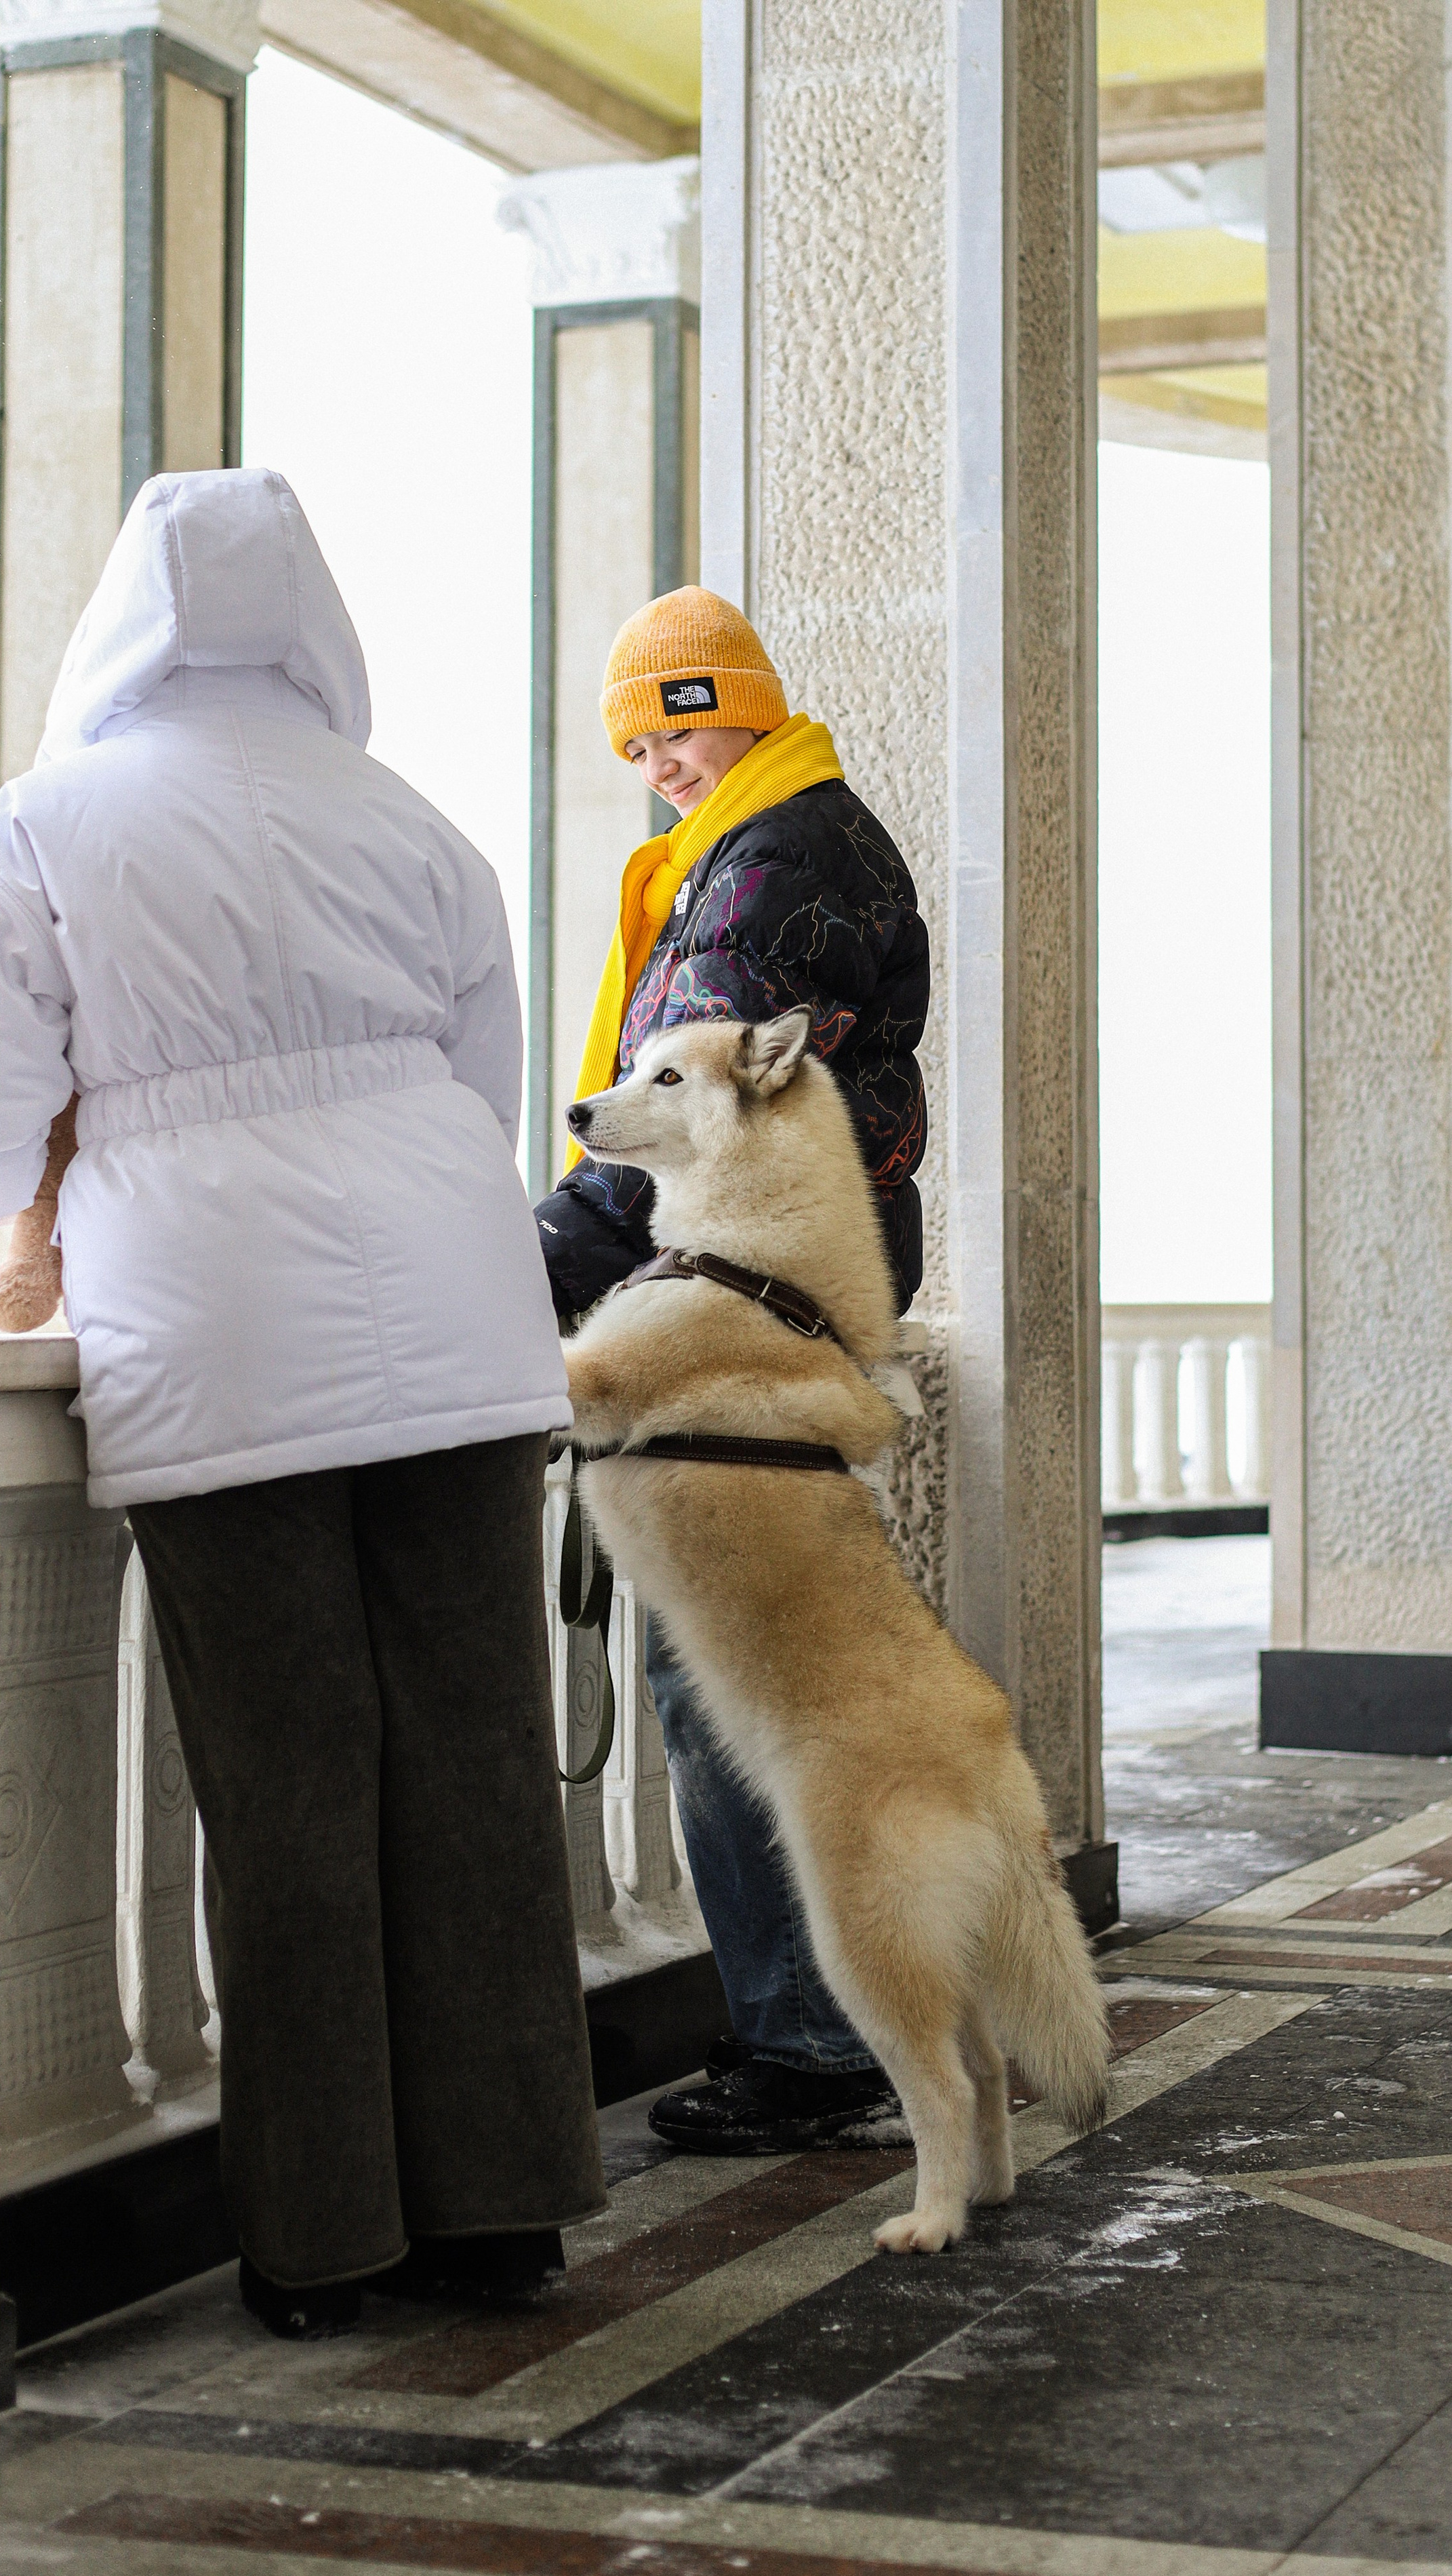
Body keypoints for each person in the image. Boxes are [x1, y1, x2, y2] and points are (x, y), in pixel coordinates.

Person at [0, 468, 604, 2337]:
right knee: (480, 1762)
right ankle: (502, 2214)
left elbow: (0, 1095)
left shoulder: (49, 823)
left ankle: (326, 2242)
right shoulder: (410, 819)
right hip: (458, 1320)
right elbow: (485, 1085)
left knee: (289, 1784)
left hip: (216, 1326)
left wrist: (11, 1253)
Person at [533, 586, 930, 2155]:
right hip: (787, 1284)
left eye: (674, 721)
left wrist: (517, 1278)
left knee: (721, 1670)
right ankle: (837, 2009)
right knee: (773, 1656)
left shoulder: (772, 865)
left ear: (738, 705)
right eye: (635, 737)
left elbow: (670, 1127)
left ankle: (807, 2031)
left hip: (747, 1297)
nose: (655, 762)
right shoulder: (789, 838)